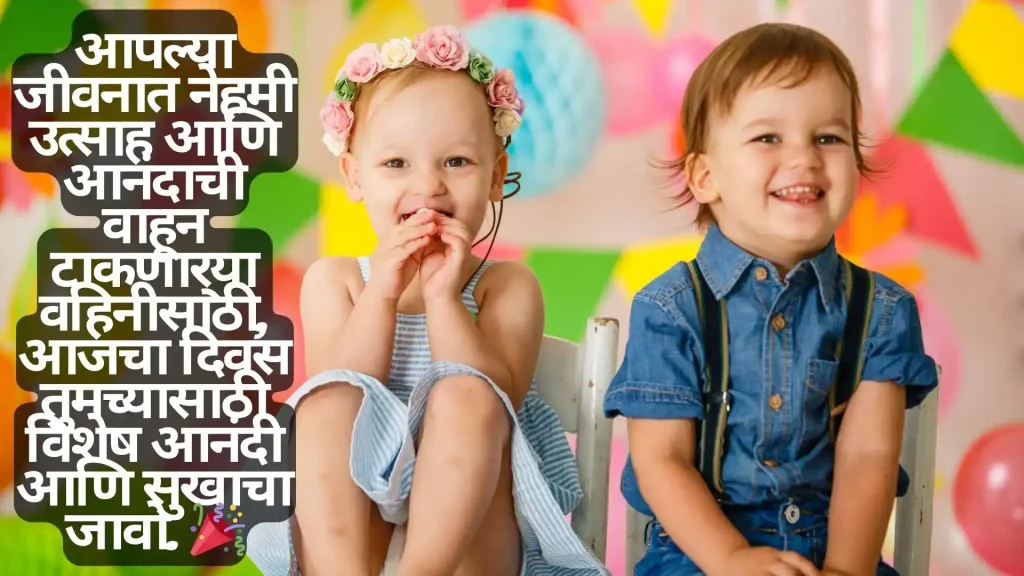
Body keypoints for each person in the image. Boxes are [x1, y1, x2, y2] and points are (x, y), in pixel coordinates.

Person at [246, 25, 607, 576]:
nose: (430, 186)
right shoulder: (336, 280)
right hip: (356, 521)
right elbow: (345, 401)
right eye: (396, 165)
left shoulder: (503, 287)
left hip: (473, 525)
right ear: (354, 176)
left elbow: (495, 399)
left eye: (456, 162)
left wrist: (443, 296)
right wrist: (383, 294)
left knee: (468, 393)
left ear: (496, 176)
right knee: (322, 403)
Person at [604, 23, 939, 576]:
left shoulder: (881, 312)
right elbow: (662, 460)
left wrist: (845, 570)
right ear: (706, 175)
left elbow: (867, 458)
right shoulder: (671, 308)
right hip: (702, 554)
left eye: (829, 137)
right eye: (768, 138)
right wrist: (732, 558)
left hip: (835, 551)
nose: (805, 158)